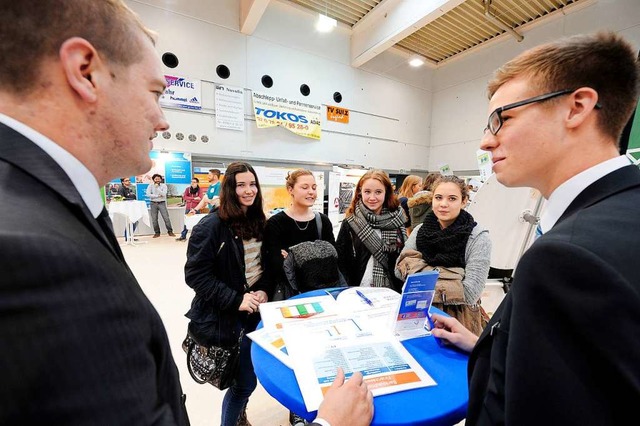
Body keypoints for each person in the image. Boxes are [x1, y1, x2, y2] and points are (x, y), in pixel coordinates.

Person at [429, 32, 640, 425]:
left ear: (576, 107)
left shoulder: (567, 256)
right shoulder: (621, 212)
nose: (485, 142)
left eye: (503, 119)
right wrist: (487, 345)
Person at [0, 1, 188, 424]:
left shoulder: (43, 201)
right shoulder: (32, 257)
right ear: (85, 71)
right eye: (155, 93)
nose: (163, 121)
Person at [184, 161, 272, 426]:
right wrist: (236, 300)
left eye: (252, 184)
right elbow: (196, 275)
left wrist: (264, 289)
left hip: (256, 311)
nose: (248, 190)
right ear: (229, 189)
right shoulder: (211, 226)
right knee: (243, 384)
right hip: (228, 316)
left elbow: (263, 265)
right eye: (240, 185)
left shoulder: (259, 222)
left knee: (248, 374)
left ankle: (240, 413)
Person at [262, 168, 335, 426]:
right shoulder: (276, 223)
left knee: (321, 352)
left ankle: (317, 400)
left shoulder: (322, 222)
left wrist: (294, 254)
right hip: (290, 297)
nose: (311, 192)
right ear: (290, 190)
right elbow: (274, 263)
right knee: (295, 354)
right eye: (305, 187)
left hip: (320, 294)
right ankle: (297, 406)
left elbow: (331, 256)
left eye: (314, 187)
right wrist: (310, 254)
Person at [396, 175, 491, 336]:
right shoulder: (420, 231)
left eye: (452, 198)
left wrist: (419, 274)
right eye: (438, 197)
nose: (443, 204)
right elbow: (399, 270)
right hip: (417, 315)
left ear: (464, 201)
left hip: (460, 322)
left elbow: (469, 293)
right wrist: (455, 277)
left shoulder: (477, 237)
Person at [335, 170, 406, 290]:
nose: (372, 197)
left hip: (391, 290)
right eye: (367, 192)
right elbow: (341, 262)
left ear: (386, 193)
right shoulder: (351, 223)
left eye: (378, 192)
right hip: (358, 289)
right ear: (360, 192)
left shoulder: (398, 220)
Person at [146, 173, 175, 237]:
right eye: (156, 179)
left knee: (166, 218)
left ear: (161, 179)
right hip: (153, 203)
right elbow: (148, 194)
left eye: (159, 179)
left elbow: (164, 194)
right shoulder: (150, 186)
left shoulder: (164, 186)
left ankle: (170, 231)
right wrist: (157, 196)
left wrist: (157, 188)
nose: (157, 180)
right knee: (154, 219)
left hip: (162, 203)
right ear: (153, 180)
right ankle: (157, 232)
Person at [176, 177, 203, 241]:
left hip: (196, 209)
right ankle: (183, 236)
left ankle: (197, 237)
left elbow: (200, 198)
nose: (192, 183)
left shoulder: (200, 190)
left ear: (197, 183)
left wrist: (190, 199)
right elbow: (185, 197)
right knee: (186, 222)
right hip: (188, 208)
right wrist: (193, 199)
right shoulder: (187, 189)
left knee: (198, 223)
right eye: (191, 182)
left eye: (194, 182)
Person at [117, 177, 139, 241]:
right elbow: (121, 198)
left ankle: (129, 236)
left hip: (131, 207)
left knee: (134, 221)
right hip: (126, 207)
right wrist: (131, 199)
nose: (129, 182)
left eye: (129, 180)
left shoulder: (128, 188)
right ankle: (127, 236)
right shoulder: (121, 188)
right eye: (126, 181)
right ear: (123, 182)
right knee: (133, 221)